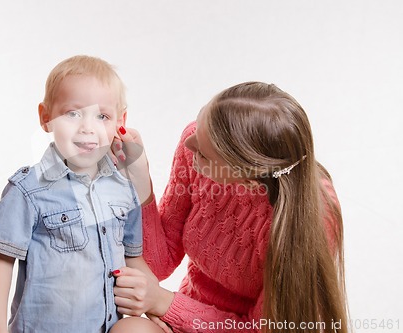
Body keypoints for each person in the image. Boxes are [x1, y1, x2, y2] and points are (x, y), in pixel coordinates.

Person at [109, 82, 349, 333]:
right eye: (200, 125)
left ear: (247, 178)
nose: (189, 144)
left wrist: (163, 302)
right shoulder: (197, 142)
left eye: (203, 153)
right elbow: (159, 264)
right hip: (188, 316)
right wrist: (140, 182)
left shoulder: (311, 221)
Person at [0, 55, 146, 333]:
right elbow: (1, 258)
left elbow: (134, 258)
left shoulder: (123, 189)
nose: (87, 128)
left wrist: (155, 310)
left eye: (102, 116)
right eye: (73, 114)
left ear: (120, 120)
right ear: (46, 117)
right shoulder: (29, 188)